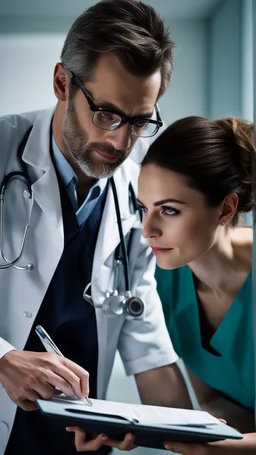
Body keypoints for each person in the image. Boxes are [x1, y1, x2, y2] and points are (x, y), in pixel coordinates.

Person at [0, 1, 196, 454]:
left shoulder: (142, 190)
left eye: (140, 121)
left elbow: (146, 339)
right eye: (107, 114)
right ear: (61, 82)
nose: (120, 142)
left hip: (79, 441)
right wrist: (4, 358)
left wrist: (198, 435)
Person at [136, 115, 256, 454]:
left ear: (225, 208)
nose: (148, 230)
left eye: (169, 211)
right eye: (142, 208)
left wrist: (219, 448)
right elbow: (213, 400)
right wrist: (201, 430)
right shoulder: (163, 284)